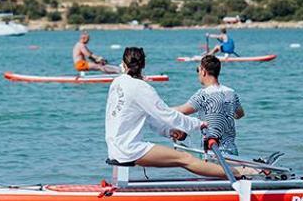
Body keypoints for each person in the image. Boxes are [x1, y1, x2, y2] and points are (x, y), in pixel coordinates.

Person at [105, 47, 256, 179]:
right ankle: (242, 172)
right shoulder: (141, 88)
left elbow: (149, 117)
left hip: (115, 147)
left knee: (184, 158)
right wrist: (198, 124)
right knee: (185, 158)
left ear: (124, 65)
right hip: (129, 150)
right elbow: (166, 114)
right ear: (143, 65)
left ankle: (239, 171)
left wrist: (169, 131)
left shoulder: (116, 83)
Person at [173, 55, 244, 155]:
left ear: (203, 71)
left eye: (198, 70)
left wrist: (157, 109)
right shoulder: (231, 93)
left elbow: (182, 110)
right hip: (232, 151)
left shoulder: (204, 94)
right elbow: (240, 114)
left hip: (213, 153)